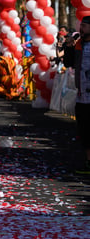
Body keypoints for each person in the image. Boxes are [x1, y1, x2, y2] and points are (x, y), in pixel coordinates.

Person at [74, 16, 90, 174]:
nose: (81, 29)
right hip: (82, 95)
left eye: (84, 26)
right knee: (84, 129)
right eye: (81, 25)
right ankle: (88, 162)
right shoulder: (80, 44)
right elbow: (70, 63)